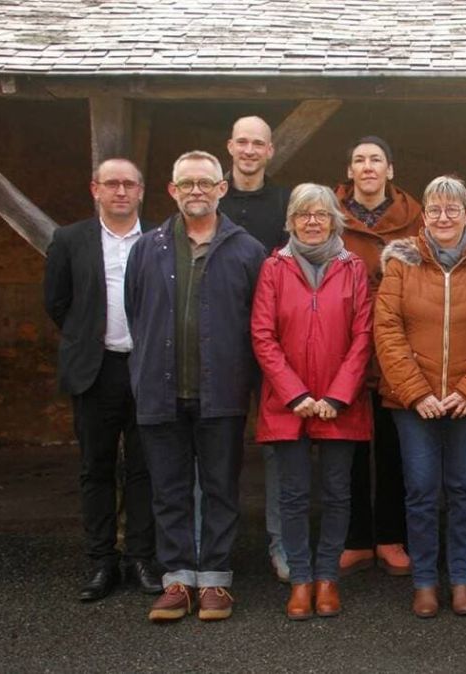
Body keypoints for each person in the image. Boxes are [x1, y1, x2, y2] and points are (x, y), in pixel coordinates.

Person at [126, 150, 267, 622]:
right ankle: (178, 579)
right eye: (186, 184)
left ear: (222, 188)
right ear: (172, 191)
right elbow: (135, 312)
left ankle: (216, 581)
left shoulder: (247, 249)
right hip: (161, 390)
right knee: (169, 489)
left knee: (220, 487)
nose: (196, 192)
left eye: (205, 183)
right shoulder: (147, 248)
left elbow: (257, 323)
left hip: (221, 391)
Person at [374, 175, 466, 618]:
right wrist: (416, 393)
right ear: (425, 216)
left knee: (462, 490)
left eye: (453, 209)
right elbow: (387, 330)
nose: (443, 217)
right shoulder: (402, 265)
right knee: (419, 490)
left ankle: (460, 579)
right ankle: (424, 582)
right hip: (412, 404)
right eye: (434, 209)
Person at [251, 183, 373, 620]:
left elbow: (363, 336)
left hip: (341, 402)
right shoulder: (274, 268)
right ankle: (301, 579)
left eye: (321, 214)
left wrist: (337, 396)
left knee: (338, 494)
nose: (313, 222)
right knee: (294, 496)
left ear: (334, 219)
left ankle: (327, 580)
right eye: (303, 215)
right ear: (291, 221)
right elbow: (263, 336)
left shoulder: (353, 267)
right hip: (289, 403)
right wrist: (296, 395)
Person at [44, 158, 161, 602]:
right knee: (96, 467)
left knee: (144, 467)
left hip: (145, 367)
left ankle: (141, 559)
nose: (120, 191)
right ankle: (101, 563)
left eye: (129, 184)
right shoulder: (70, 239)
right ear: (95, 189)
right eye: (111, 183)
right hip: (96, 368)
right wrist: (87, 339)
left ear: (141, 190)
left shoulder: (159, 238)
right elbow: (57, 302)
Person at [335, 136, 422, 577]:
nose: (367, 166)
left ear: (390, 170)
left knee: (394, 447)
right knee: (348, 447)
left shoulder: (414, 218)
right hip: (343, 346)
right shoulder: (327, 216)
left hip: (396, 348)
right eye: (358, 159)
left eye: (376, 160)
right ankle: (354, 538)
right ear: (350, 171)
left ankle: (391, 536)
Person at [220, 115, 292, 582]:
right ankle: (216, 551)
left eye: (258, 144)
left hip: (274, 346)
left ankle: (281, 546)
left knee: (279, 453)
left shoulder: (287, 205)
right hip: (222, 344)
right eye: (242, 142)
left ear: (269, 151)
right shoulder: (209, 199)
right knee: (219, 450)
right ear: (230, 147)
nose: (249, 150)